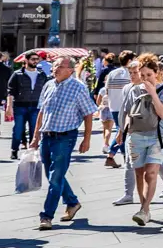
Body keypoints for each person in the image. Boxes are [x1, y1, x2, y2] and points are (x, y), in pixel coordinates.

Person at [32, 53, 98, 231]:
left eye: (60, 66)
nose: (55, 69)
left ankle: (46, 216)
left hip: (65, 136)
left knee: (55, 177)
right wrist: (35, 136)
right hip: (47, 135)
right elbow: (41, 111)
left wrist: (87, 139)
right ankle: (72, 202)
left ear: (70, 70)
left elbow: (88, 113)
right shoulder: (49, 85)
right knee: (52, 174)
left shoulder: (78, 87)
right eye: (54, 66)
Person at [119, 53, 163, 226]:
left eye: (149, 74)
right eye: (142, 75)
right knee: (139, 174)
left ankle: (144, 208)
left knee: (151, 173)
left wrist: (153, 94)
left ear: (156, 73)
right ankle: (144, 209)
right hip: (136, 136)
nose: (145, 78)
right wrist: (123, 131)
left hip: (157, 136)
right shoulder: (133, 89)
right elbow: (127, 112)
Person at [99, 51, 134, 169]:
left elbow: (107, 90)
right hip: (125, 107)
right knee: (123, 132)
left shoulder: (112, 73)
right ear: (129, 61)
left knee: (122, 131)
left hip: (113, 106)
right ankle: (114, 156)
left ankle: (116, 157)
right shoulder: (131, 73)